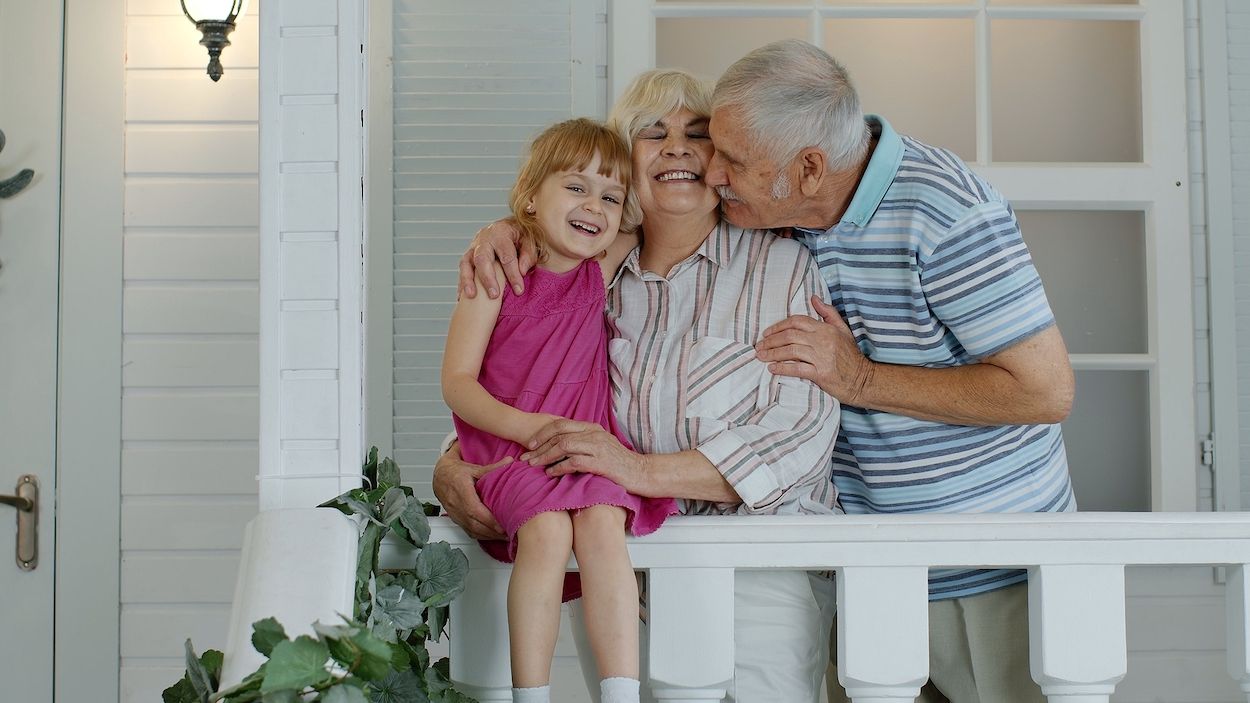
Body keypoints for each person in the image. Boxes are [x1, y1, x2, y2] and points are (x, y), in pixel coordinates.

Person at [438, 69, 841, 702]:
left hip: (752, 574)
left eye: (698, 133)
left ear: (724, 160)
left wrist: (635, 471)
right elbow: (519, 381)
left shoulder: (780, 265)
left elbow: (801, 432)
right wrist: (453, 462)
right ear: (625, 164)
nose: (677, 146)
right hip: (624, 572)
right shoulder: (585, 274)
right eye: (653, 133)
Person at [704, 40, 1076, 702]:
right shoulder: (766, 217)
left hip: (996, 572)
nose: (713, 176)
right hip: (868, 569)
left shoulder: (945, 209)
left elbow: (1045, 390)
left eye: (732, 160)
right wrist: (516, 234)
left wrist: (862, 380)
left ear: (810, 167)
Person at [441, 117, 679, 703]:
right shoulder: (498, 277)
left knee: (603, 526)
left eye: (609, 196)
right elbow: (457, 383)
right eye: (575, 186)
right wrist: (531, 428)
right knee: (547, 534)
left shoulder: (597, 269)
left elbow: (666, 206)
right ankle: (532, 693)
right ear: (530, 195)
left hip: (582, 451)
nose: (593, 205)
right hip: (512, 451)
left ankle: (621, 691)